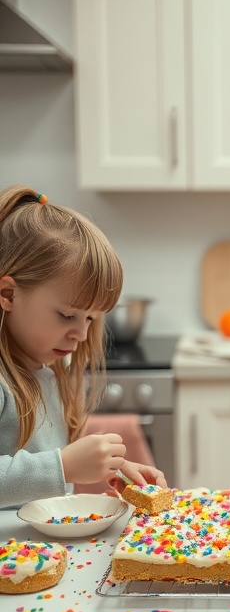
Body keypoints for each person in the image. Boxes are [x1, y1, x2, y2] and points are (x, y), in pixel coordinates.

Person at [0, 185, 166, 509]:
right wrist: (63, 466)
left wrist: (116, 466)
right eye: (67, 315)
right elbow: (52, 466)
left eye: (91, 318)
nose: (81, 333)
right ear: (8, 295)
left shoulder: (50, 369)